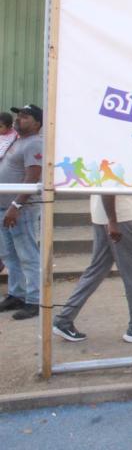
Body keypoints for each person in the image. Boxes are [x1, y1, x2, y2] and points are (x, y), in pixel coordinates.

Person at [52, 194, 132, 342]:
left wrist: (111, 220)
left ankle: (64, 319)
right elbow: (108, 189)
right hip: (121, 218)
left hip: (105, 217)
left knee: (96, 271)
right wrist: (113, 221)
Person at [0, 105, 44, 320]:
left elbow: (33, 177)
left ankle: (35, 300)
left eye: (25, 117)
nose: (19, 119)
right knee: (10, 255)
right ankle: (17, 294)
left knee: (27, 255)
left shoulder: (35, 143)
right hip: (5, 207)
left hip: (21, 209)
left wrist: (15, 206)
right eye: (18, 115)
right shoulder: (19, 140)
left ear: (37, 123)